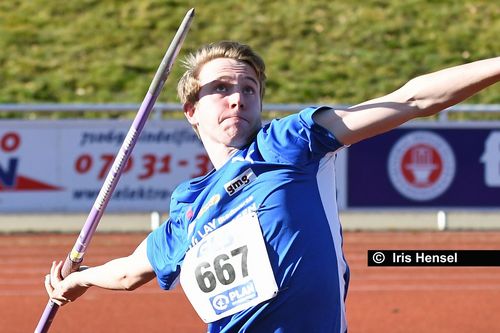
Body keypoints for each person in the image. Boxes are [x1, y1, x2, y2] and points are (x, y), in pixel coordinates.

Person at [45, 41, 500, 332]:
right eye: (220, 88)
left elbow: (411, 99)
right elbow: (129, 271)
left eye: (249, 88)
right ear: (191, 110)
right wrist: (79, 278)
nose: (238, 96)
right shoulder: (188, 206)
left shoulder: (287, 143)